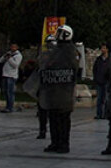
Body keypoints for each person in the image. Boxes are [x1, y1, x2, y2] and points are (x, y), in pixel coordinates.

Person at [41, 24, 80, 154]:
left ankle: (63, 143)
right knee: (53, 117)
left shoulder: (71, 50)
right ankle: (55, 142)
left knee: (63, 119)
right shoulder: (56, 49)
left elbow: (72, 68)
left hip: (64, 89)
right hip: (53, 87)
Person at [0, 42, 22, 113]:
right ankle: (7, 106)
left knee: (10, 92)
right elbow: (0, 61)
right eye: (11, 47)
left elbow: (15, 65)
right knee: (6, 92)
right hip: (5, 75)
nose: (12, 48)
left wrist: (9, 58)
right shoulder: (9, 53)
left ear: (17, 47)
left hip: (12, 76)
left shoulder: (18, 55)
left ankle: (10, 107)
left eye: (14, 47)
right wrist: (5, 56)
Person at [93, 43, 110, 120]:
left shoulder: (110, 59)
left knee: (106, 99)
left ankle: (106, 114)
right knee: (99, 99)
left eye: (104, 48)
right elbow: (95, 69)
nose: (102, 50)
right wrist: (96, 78)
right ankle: (99, 114)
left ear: (107, 49)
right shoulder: (98, 59)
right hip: (99, 81)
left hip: (107, 81)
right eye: (102, 48)